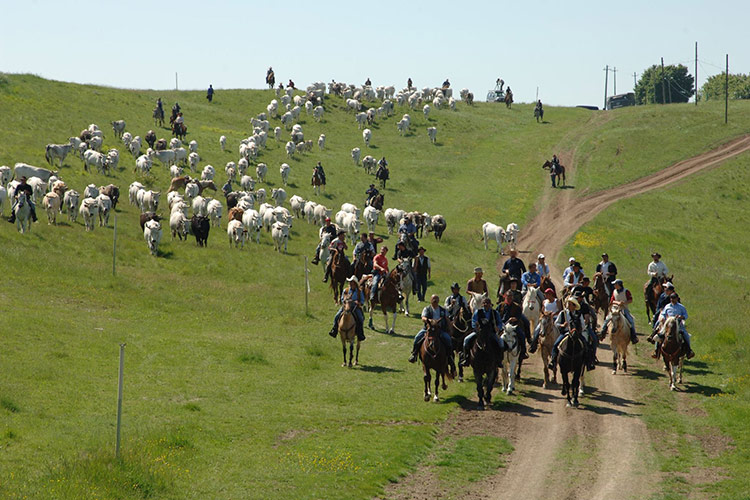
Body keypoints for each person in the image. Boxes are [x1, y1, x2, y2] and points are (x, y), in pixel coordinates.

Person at [547, 297, 596, 371]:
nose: (568, 305)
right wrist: (562, 325)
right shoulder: (563, 313)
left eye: (570, 304)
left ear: (574, 306)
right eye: (568, 304)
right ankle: (553, 361)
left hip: (576, 333)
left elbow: (583, 326)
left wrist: (577, 330)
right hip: (565, 333)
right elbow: (556, 324)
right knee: (555, 345)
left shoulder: (579, 314)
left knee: (586, 345)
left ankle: (589, 363)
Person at [409, 295, 456, 369]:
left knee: (448, 340)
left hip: (440, 330)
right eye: (433, 299)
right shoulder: (427, 309)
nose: (435, 301)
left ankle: (450, 357)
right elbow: (423, 317)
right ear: (431, 300)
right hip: (428, 329)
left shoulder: (442, 310)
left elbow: (447, 319)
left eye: (436, 300)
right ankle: (414, 354)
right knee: (417, 337)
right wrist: (429, 320)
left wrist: (450, 329)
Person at [460, 297, 506, 366]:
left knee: (501, 343)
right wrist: (476, 327)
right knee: (466, 340)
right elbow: (473, 321)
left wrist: (498, 328)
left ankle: (499, 360)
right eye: (484, 303)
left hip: (491, 333)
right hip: (479, 333)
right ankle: (466, 358)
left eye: (487, 303)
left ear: (490, 304)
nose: (485, 304)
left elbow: (499, 322)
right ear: (482, 304)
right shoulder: (478, 312)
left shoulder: (495, 313)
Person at [651, 293, 695, 359]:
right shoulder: (667, 306)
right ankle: (656, 351)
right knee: (659, 334)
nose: (672, 299)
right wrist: (662, 317)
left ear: (677, 298)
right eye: (671, 298)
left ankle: (689, 351)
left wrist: (681, 316)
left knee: (685, 335)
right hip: (668, 325)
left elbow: (686, 315)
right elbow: (663, 313)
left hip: (678, 324)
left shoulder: (681, 307)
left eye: (674, 298)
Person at [599, 279, 638, 344]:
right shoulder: (614, 291)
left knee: (631, 321)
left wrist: (624, 302)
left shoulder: (626, 291)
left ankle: (633, 336)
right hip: (615, 309)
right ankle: (602, 333)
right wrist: (617, 302)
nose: (614, 285)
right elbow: (612, 300)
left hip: (624, 308)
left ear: (618, 285)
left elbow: (630, 300)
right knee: (607, 319)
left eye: (615, 284)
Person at [328, 276, 366, 341]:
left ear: (355, 283)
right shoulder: (346, 290)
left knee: (360, 318)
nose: (351, 284)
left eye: (352, 282)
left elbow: (362, 301)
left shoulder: (359, 291)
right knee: (336, 316)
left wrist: (358, 303)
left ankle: (360, 334)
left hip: (355, 307)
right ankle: (334, 330)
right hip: (346, 306)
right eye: (350, 282)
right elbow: (342, 299)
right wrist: (345, 301)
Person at [497, 290, 530, 360]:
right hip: (502, 325)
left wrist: (514, 319)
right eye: (508, 297)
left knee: (522, 335)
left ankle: (523, 352)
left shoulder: (517, 306)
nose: (509, 298)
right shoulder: (501, 306)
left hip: (513, 326)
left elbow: (518, 317)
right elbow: (496, 315)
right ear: (505, 297)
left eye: (511, 297)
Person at [529, 288, 562, 352]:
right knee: (537, 330)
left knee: (559, 328)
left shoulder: (556, 301)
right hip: (545, 318)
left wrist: (553, 314)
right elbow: (542, 310)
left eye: (546, 294)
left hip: (555, 318)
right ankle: (533, 345)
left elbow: (560, 310)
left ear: (550, 294)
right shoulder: (544, 302)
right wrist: (544, 314)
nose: (545, 295)